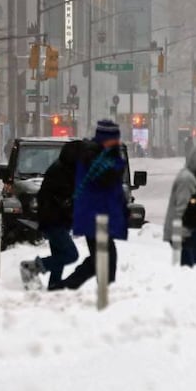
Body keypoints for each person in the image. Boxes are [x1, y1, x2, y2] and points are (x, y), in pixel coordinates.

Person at [59, 120, 128, 290]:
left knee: (100, 259)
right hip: (94, 216)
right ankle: (102, 296)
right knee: (105, 260)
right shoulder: (94, 155)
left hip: (100, 215)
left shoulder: (102, 154)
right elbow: (105, 179)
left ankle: (67, 287)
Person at [20, 140, 82, 290]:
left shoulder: (65, 169)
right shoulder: (62, 173)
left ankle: (54, 287)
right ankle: (33, 267)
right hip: (53, 221)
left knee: (59, 256)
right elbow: (66, 198)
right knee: (70, 254)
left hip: (57, 220)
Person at [163, 146, 196, 266]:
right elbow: (182, 209)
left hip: (185, 234)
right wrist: (184, 236)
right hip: (183, 235)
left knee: (188, 269)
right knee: (186, 269)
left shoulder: (190, 177)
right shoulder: (186, 179)